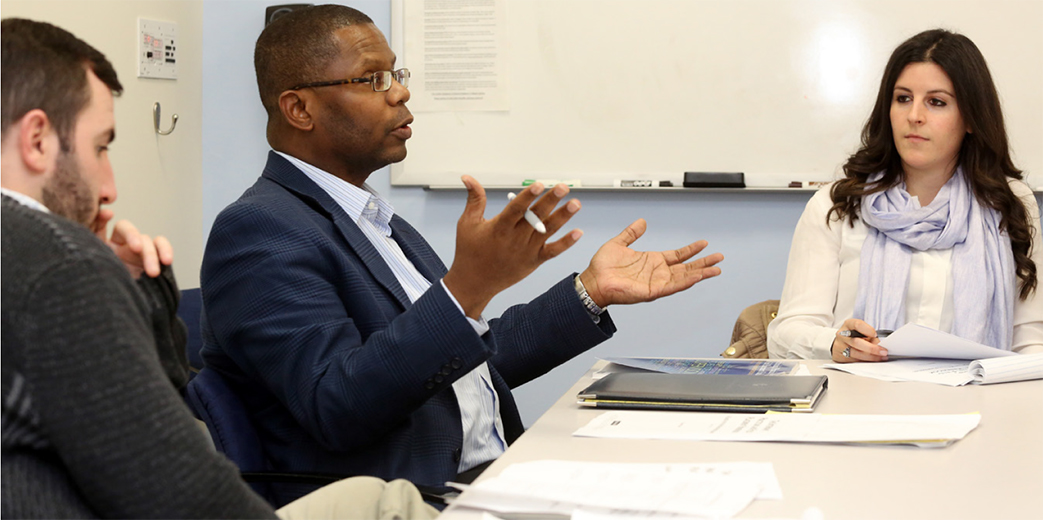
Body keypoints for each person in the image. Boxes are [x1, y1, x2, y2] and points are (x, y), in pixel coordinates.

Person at [200, 4, 724, 506]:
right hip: (413, 499)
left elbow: (466, 363)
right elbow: (338, 404)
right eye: (372, 79)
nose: (400, 92)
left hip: (490, 478)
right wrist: (467, 290)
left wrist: (589, 292)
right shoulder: (260, 230)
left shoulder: (373, 220)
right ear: (299, 108)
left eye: (396, 73)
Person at [0, 17, 437, 519]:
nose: (110, 189)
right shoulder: (61, 267)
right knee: (395, 504)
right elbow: (183, 491)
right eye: (101, 147)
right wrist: (94, 282)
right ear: (36, 139)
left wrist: (128, 303)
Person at [767, 29, 1043, 363]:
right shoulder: (838, 205)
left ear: (970, 117)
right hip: (857, 405)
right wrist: (834, 343)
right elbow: (786, 335)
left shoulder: (1010, 203)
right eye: (903, 98)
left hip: (975, 404)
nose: (915, 116)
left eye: (936, 102)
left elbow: (1030, 341)